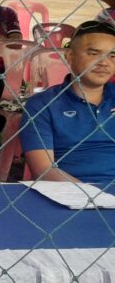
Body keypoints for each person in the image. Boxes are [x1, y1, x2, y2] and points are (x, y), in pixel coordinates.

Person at [20, 20, 115, 185]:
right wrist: (91, 195)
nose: (104, 62)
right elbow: (44, 170)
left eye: (112, 56)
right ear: (69, 56)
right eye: (93, 53)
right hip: (69, 192)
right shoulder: (42, 105)